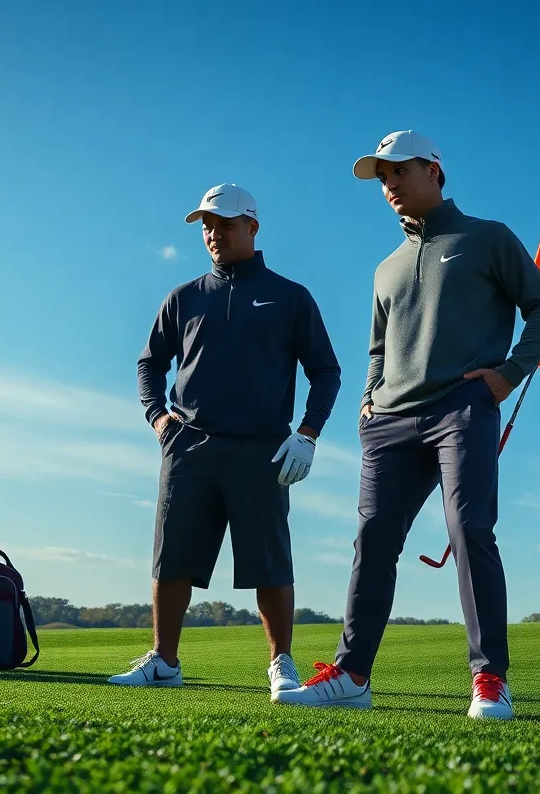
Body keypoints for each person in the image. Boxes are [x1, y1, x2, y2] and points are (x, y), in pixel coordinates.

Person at [275, 131, 540, 718]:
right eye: (381, 178)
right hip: (390, 423)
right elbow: (378, 349)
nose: (388, 185)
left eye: (398, 171)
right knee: (373, 540)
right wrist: (366, 399)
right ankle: (352, 673)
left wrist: (508, 375)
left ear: (434, 170)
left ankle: (490, 679)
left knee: (469, 529)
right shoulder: (386, 268)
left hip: (463, 408)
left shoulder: (487, 238)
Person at [111, 183, 341, 700]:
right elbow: (150, 362)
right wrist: (158, 419)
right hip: (189, 444)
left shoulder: (290, 296)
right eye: (207, 226)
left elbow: (326, 371)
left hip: (263, 447)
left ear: (253, 227)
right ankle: (164, 661)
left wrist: (308, 433)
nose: (214, 234)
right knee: (172, 557)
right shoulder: (185, 297)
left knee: (269, 559)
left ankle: (281, 663)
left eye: (225, 224)